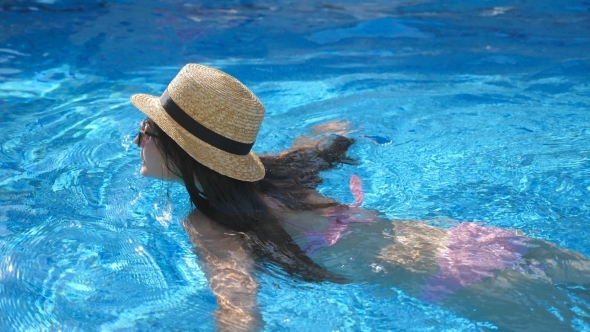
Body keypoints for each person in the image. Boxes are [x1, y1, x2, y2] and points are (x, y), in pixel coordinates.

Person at [131, 64, 590, 331]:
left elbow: (240, 312)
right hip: (474, 240)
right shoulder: (280, 168)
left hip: (457, 284)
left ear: (180, 149)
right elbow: (335, 132)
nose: (138, 140)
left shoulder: (209, 223)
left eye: (146, 131)